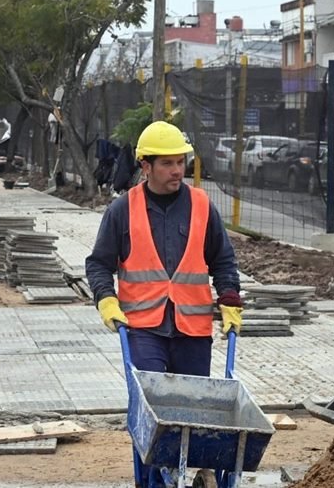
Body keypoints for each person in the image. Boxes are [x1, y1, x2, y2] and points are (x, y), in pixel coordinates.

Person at [85, 121, 243, 484]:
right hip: (143, 329)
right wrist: (106, 300)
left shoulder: (202, 206)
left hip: (192, 328)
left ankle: (195, 474)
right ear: (146, 166)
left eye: (181, 162)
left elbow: (223, 259)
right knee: (152, 414)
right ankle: (154, 481)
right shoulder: (123, 209)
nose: (178, 171)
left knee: (193, 415)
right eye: (168, 164)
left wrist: (230, 299)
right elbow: (98, 263)